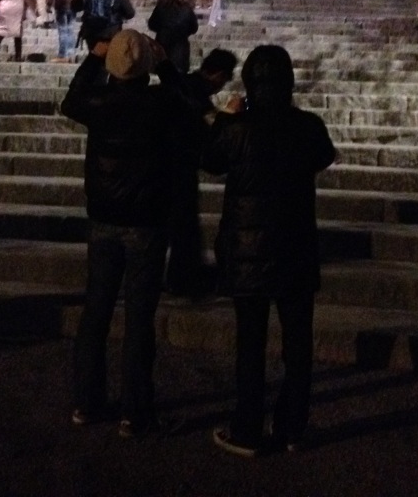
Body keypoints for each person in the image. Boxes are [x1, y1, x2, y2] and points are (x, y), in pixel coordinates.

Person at [202, 45, 336, 457]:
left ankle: (247, 428)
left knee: (250, 341)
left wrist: (226, 117)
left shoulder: (236, 128)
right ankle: (292, 426)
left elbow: (210, 159)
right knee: (298, 342)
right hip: (295, 246)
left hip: (248, 251)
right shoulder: (308, 126)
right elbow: (324, 156)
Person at [60, 29, 187, 438]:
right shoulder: (160, 101)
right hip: (147, 222)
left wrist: (94, 59)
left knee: (96, 311)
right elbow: (190, 103)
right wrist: (166, 64)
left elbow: (71, 100)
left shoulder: (98, 102)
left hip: (103, 219)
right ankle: (135, 413)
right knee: (138, 319)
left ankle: (87, 401)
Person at [166, 47, 239, 297]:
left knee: (183, 226)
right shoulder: (193, 91)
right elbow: (205, 128)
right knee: (184, 225)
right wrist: (228, 115)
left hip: (175, 165)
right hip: (177, 167)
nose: (222, 85)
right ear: (218, 74)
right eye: (224, 79)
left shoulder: (189, 86)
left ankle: (182, 276)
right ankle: (183, 279)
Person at [147, 0, 198, 74]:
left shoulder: (161, 7)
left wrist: (162, 30)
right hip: (180, 50)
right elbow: (194, 28)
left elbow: (152, 24)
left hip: (162, 47)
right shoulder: (187, 9)